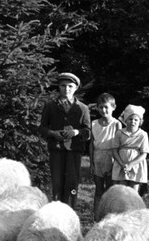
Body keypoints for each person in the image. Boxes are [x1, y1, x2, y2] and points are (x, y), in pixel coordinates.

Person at [39, 72, 91, 208]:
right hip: (56, 149)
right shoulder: (50, 106)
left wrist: (76, 132)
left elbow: (88, 132)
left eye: (70, 86)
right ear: (59, 87)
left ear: (75, 88)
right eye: (63, 86)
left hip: (74, 150)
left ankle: (70, 213)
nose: (66, 89)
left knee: (72, 183)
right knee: (57, 183)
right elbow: (42, 128)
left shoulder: (83, 108)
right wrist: (52, 133)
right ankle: (56, 213)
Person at [89, 93, 121, 215]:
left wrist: (117, 163)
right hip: (98, 158)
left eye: (106, 107)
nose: (103, 110)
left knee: (110, 191)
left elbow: (119, 145)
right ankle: (96, 218)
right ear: (97, 108)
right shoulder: (94, 124)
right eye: (101, 107)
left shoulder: (116, 124)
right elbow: (91, 144)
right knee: (98, 190)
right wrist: (91, 163)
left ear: (113, 107)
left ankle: (108, 216)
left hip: (111, 159)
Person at [111, 104, 149, 192]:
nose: (133, 122)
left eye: (136, 120)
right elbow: (114, 150)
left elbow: (144, 154)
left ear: (140, 121)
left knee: (133, 192)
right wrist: (122, 164)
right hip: (121, 164)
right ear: (125, 120)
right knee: (121, 191)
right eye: (130, 119)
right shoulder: (119, 133)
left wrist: (130, 164)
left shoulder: (143, 134)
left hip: (136, 165)